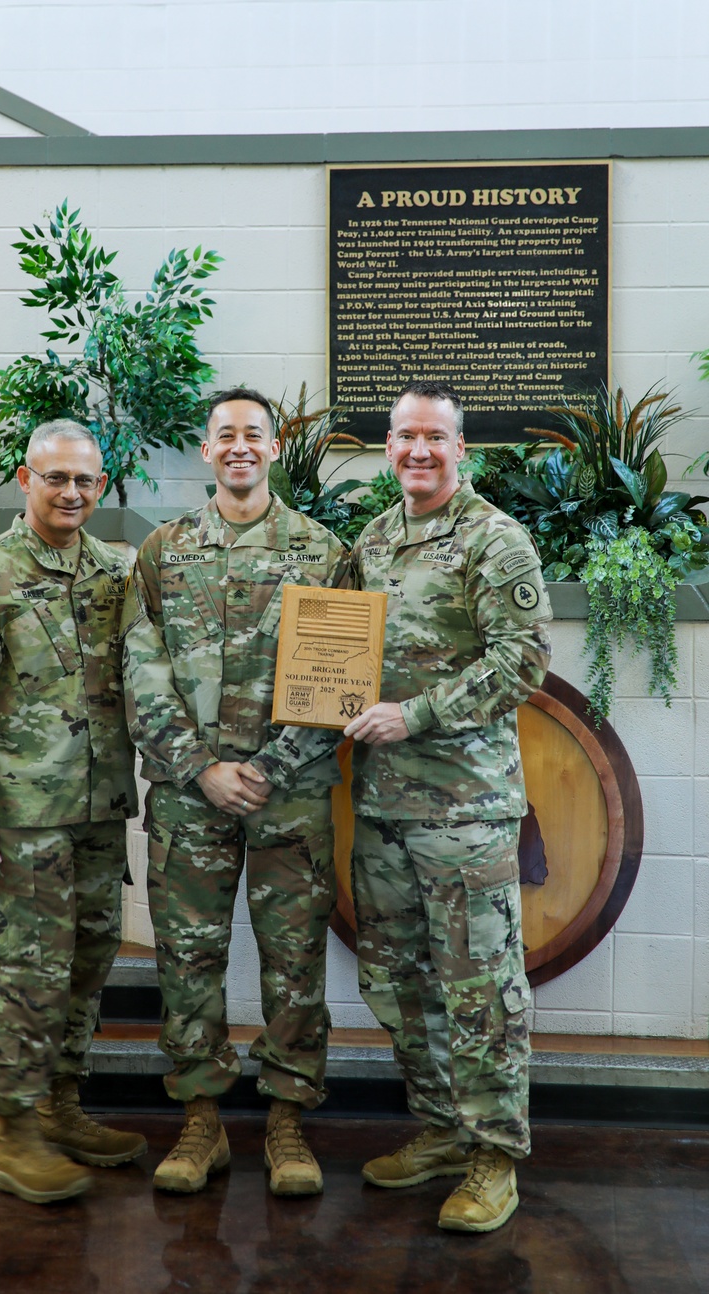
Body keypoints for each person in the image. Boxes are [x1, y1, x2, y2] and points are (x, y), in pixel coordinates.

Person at [122, 387, 351, 1197]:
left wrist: (268, 769)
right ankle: (202, 1120)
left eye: (255, 433)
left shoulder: (323, 553)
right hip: (191, 798)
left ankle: (287, 1121)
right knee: (188, 960)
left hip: (287, 800)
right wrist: (202, 768)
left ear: (276, 443)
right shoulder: (163, 551)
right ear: (206, 448)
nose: (241, 446)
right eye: (227, 435)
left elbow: (339, 683)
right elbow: (139, 673)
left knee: (294, 963)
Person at [344, 379, 552, 1233]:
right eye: (404, 437)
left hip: (465, 810)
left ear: (461, 449)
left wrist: (417, 713)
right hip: (384, 808)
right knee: (396, 980)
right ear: (387, 446)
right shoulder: (373, 540)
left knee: (480, 990)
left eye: (435, 438)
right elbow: (340, 652)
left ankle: (493, 1157)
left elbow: (524, 661)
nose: (418, 451)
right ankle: (437, 1130)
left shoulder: (495, 541)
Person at [0, 419, 147, 1204]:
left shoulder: (117, 571)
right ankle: (10, 1135)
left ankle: (59, 1106)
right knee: (24, 975)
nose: (73, 492)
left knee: (87, 960)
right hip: (21, 820)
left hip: (96, 813)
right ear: (26, 479)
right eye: (57, 478)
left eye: (86, 479)